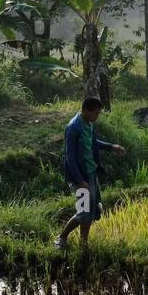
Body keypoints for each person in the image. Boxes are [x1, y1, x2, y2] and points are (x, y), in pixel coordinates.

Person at [54, 96, 125, 251]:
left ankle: (83, 243)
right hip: (80, 177)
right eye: (96, 113)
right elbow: (70, 156)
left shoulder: (88, 124)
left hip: (91, 174)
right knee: (84, 211)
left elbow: (93, 142)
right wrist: (79, 180)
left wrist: (111, 147)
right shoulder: (73, 128)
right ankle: (62, 238)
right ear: (86, 110)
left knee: (94, 210)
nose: (97, 116)